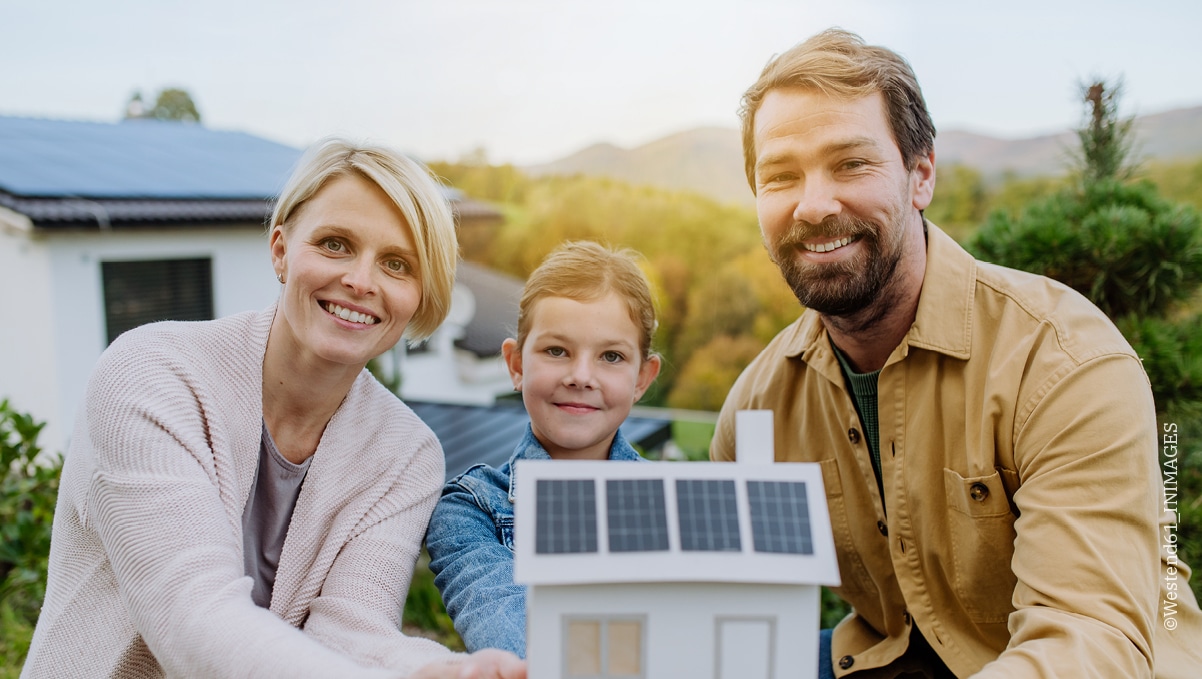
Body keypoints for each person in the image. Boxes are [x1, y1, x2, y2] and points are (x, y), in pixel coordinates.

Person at [711, 28, 1202, 678]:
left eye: (851, 164)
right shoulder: (757, 408)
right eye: (781, 176)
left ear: (921, 175)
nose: (814, 204)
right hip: (885, 658)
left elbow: (1090, 640)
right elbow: (724, 617)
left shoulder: (1064, 360)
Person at [23, 138, 524, 679]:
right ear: (281, 250)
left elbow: (350, 633)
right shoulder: (150, 374)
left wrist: (442, 672)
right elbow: (192, 618)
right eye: (335, 244)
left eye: (397, 264)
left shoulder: (407, 453)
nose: (361, 280)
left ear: (420, 294)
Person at [425, 241, 663, 658]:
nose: (581, 376)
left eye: (611, 356)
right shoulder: (470, 509)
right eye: (557, 351)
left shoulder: (674, 502)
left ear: (642, 378)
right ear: (516, 365)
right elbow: (510, 633)